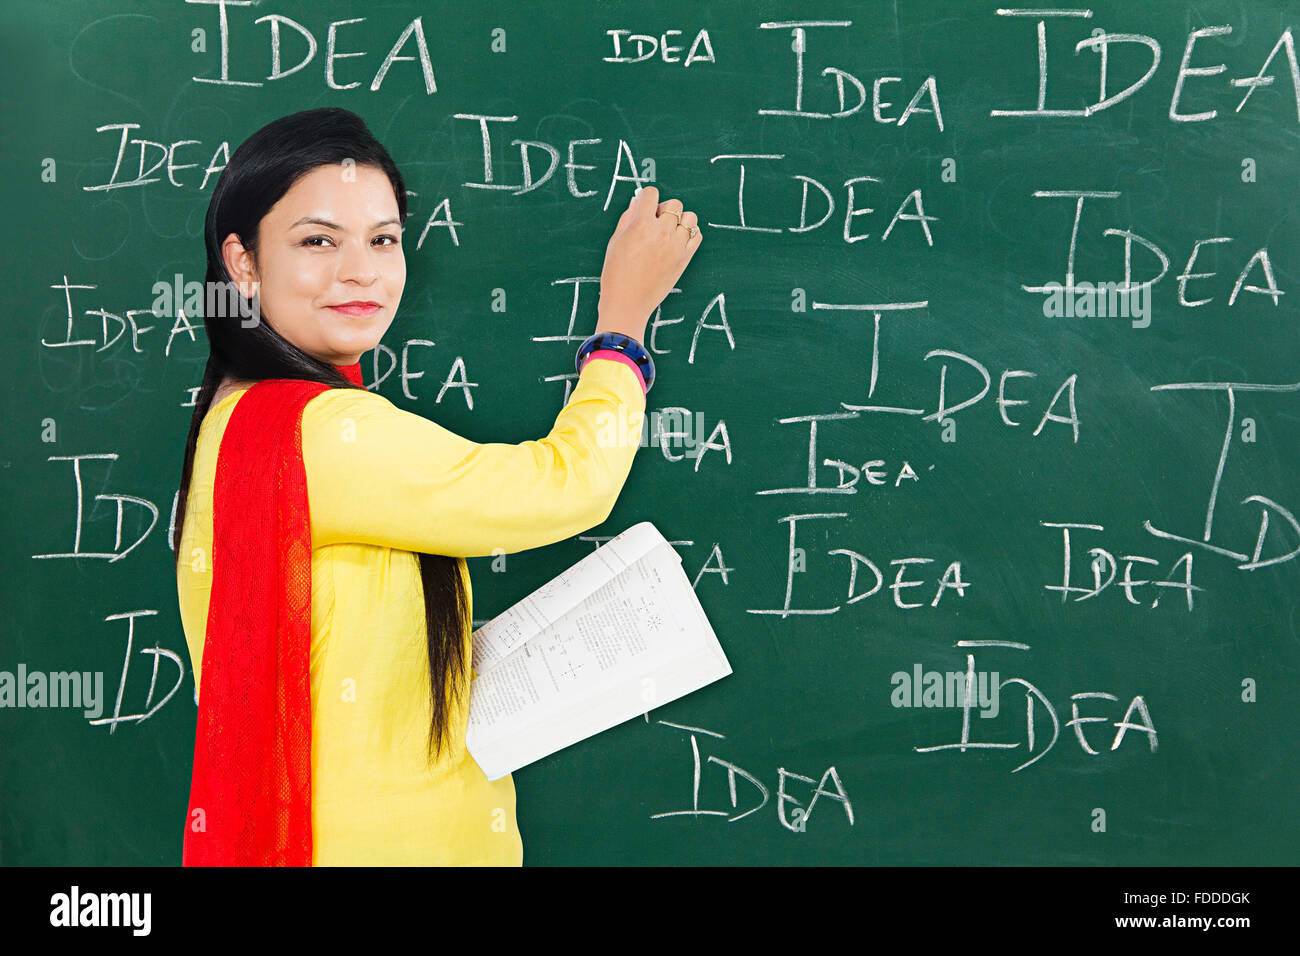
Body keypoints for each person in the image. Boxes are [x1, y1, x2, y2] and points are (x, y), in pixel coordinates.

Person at [172, 107, 701, 865]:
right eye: (318, 241)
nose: (361, 270)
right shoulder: (318, 433)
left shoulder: (237, 421)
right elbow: (568, 485)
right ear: (243, 262)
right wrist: (623, 326)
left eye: (383, 240)